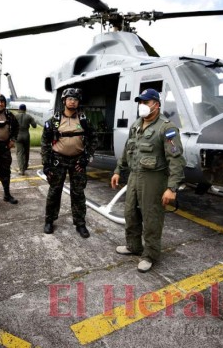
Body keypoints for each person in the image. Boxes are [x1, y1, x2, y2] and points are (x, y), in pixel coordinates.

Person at [110, 88, 185, 273]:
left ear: (156, 105)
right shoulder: (136, 125)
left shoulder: (167, 129)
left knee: (151, 218)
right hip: (134, 177)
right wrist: (118, 170)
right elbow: (128, 151)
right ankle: (133, 246)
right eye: (140, 102)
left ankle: (150, 255)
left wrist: (172, 188)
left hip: (154, 179)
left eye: (146, 102)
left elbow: (176, 160)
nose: (141, 106)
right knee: (130, 214)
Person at [41, 88, 97, 238]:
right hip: (58, 161)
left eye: (76, 99)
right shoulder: (54, 121)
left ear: (78, 102)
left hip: (78, 161)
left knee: (78, 193)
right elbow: (45, 143)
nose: (73, 101)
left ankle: (80, 223)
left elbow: (93, 139)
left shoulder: (84, 120)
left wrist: (86, 158)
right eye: (70, 99)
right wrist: (46, 165)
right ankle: (49, 220)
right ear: (64, 101)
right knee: (54, 191)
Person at [15, 103, 37, 175]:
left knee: (19, 153)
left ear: (19, 109)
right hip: (26, 135)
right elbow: (34, 126)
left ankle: (21, 170)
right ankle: (25, 166)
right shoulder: (28, 116)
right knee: (26, 151)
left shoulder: (15, 116)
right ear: (25, 109)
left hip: (17, 136)